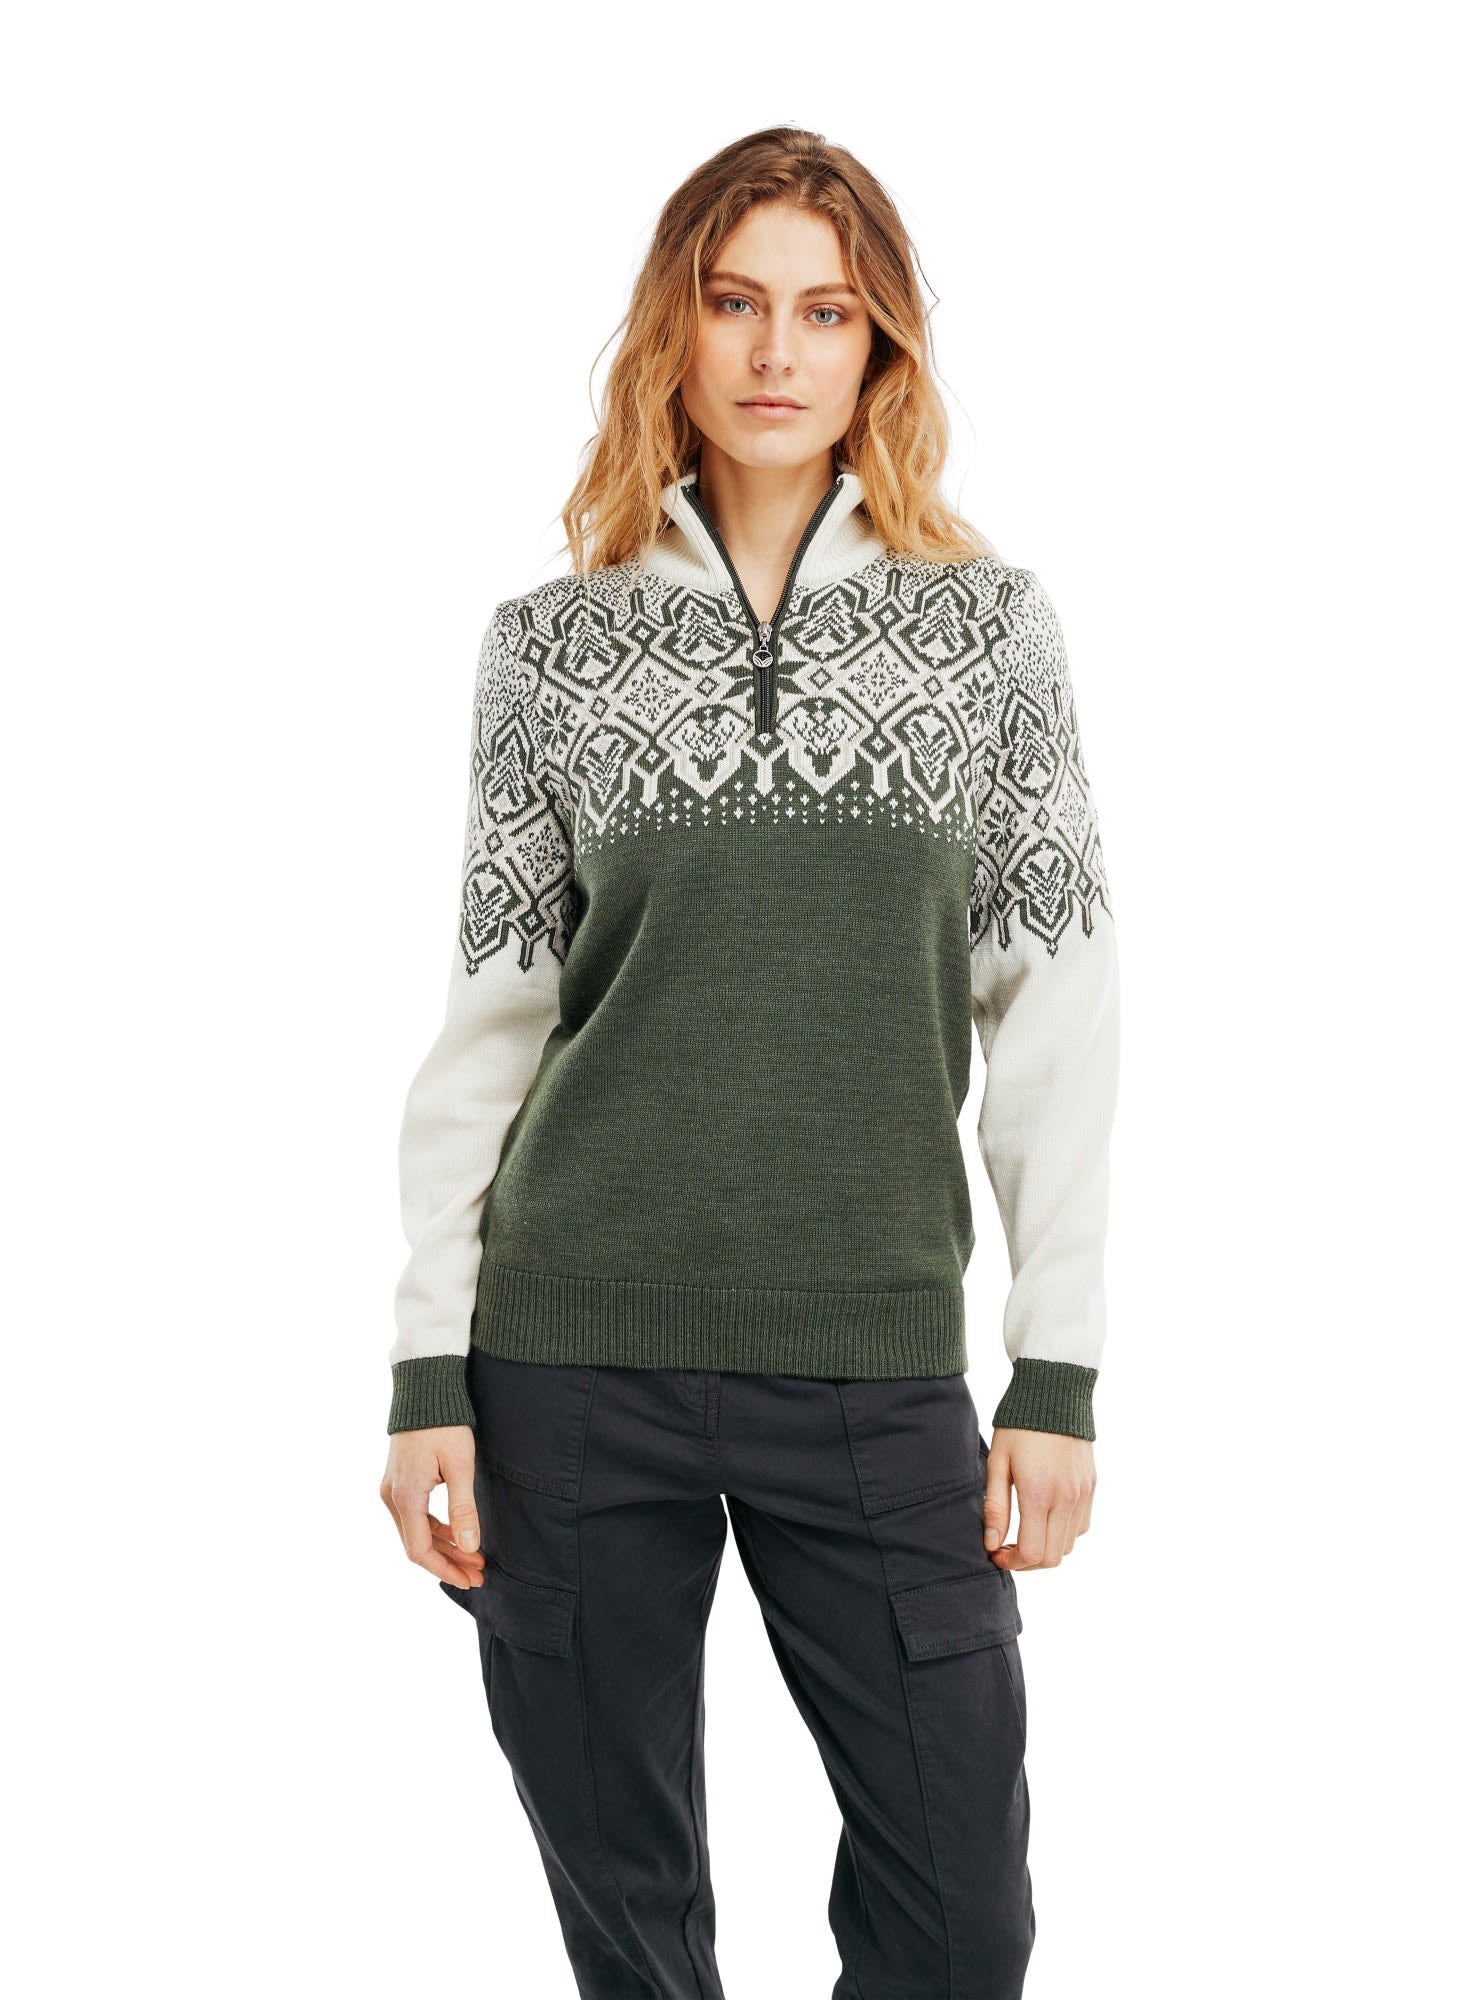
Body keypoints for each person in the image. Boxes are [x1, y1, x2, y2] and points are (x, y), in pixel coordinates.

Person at [378, 124, 1120, 2000]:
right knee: (632, 1935)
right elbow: (492, 1021)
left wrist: (1056, 1364)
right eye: (733, 303)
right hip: (567, 1364)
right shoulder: (547, 649)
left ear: (883, 349)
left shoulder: (988, 636)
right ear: (674, 330)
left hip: (870, 1361)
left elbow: (1057, 999)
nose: (777, 351)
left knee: (962, 1923)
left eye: (826, 311)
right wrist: (425, 1368)